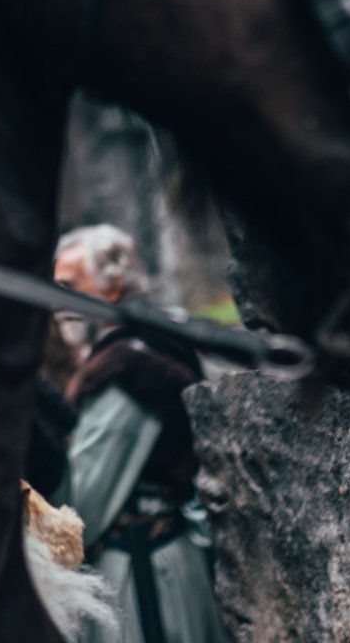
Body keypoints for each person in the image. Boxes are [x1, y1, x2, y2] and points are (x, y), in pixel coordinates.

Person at [53, 224, 230, 643]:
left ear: (112, 288)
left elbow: (80, 510)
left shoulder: (128, 371)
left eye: (69, 286)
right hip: (161, 560)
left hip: (141, 572)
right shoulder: (154, 349)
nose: (58, 304)